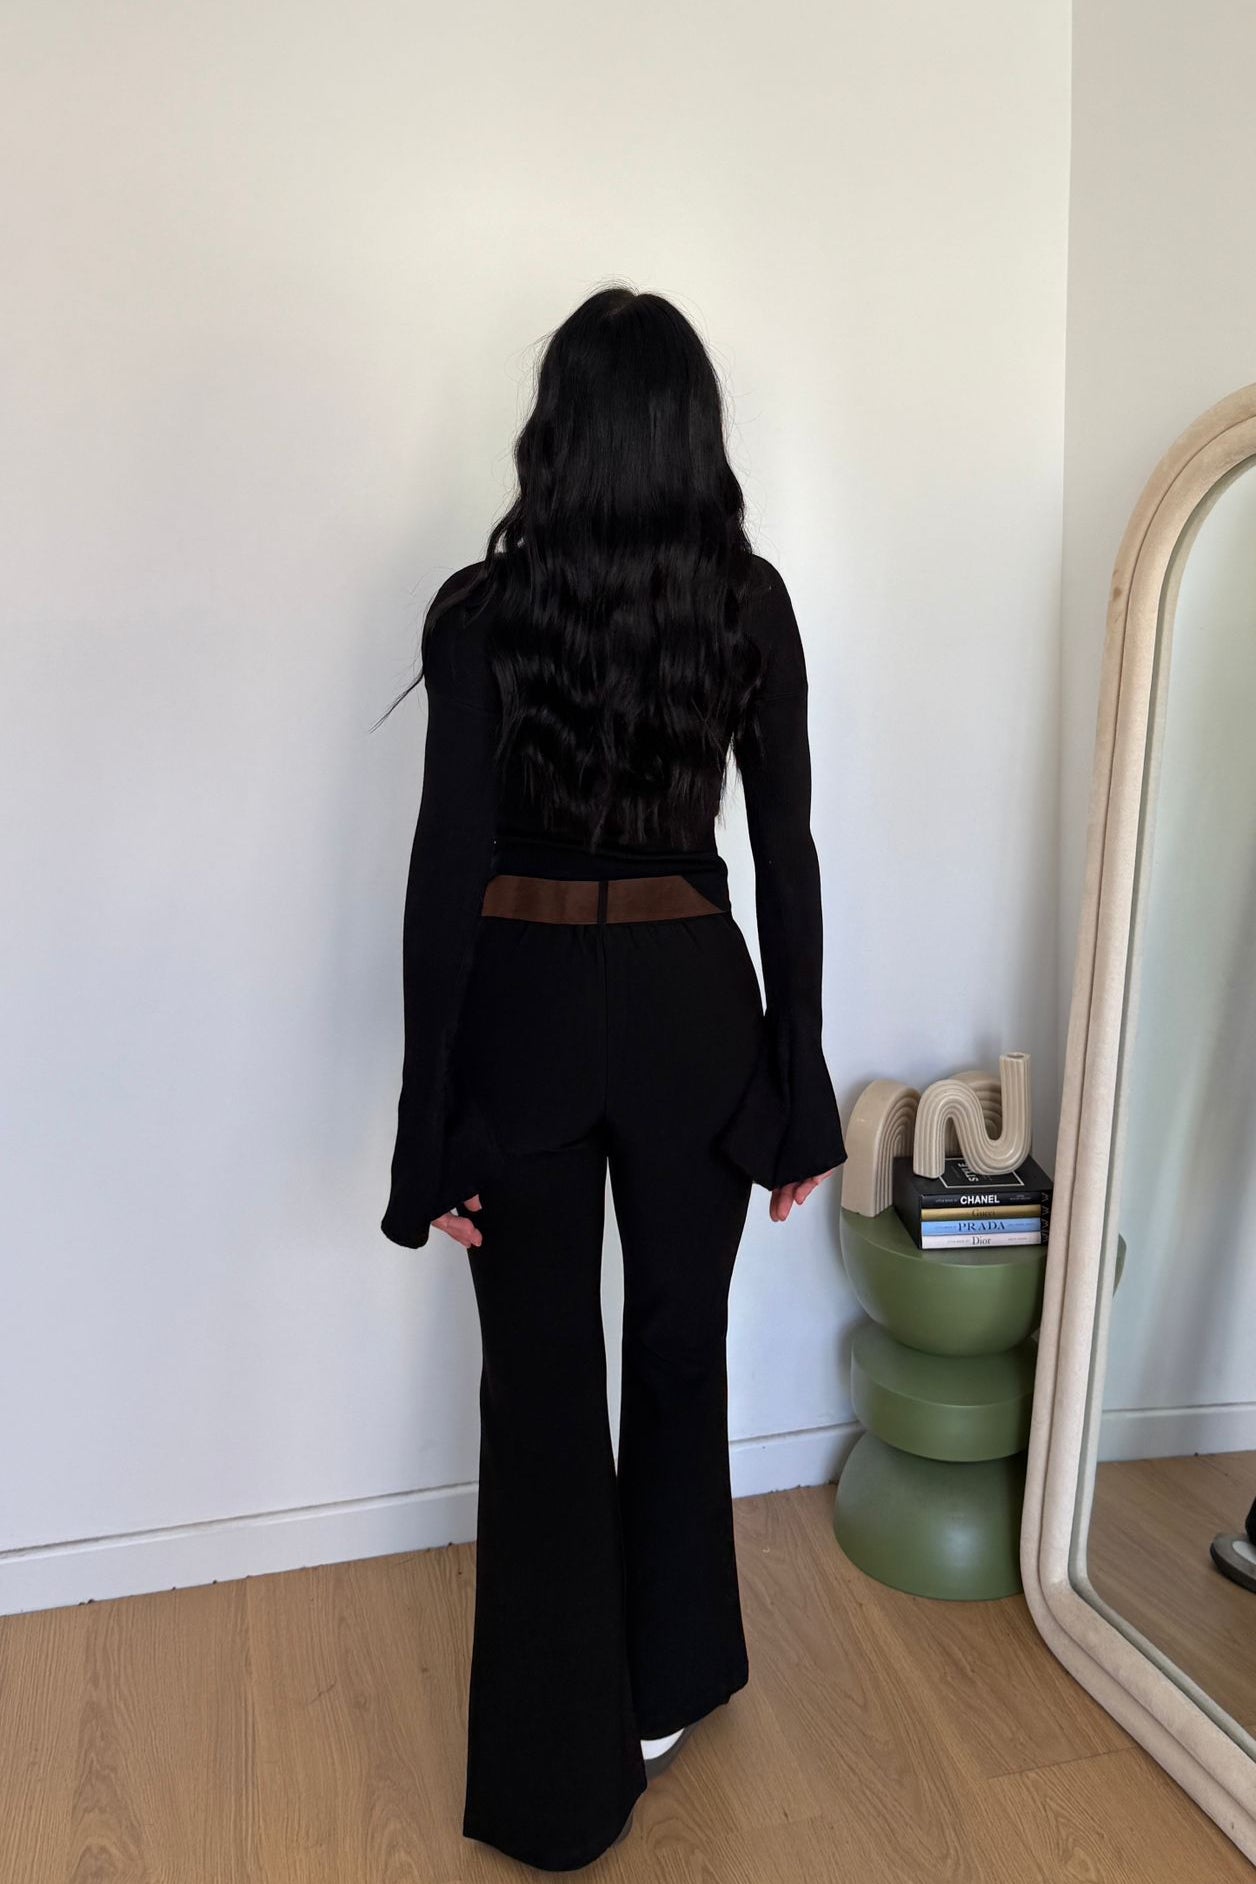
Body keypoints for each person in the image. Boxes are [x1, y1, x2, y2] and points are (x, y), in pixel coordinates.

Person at [377, 285, 847, 1872]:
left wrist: (427, 1131)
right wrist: (798, 1084)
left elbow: (446, 875)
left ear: (557, 431)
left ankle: (555, 1784)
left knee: (538, 1379)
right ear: (694, 433)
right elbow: (783, 853)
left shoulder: (481, 610)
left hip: (519, 1006)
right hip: (689, 1006)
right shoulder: (746, 602)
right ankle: (672, 1680)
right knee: (676, 1350)